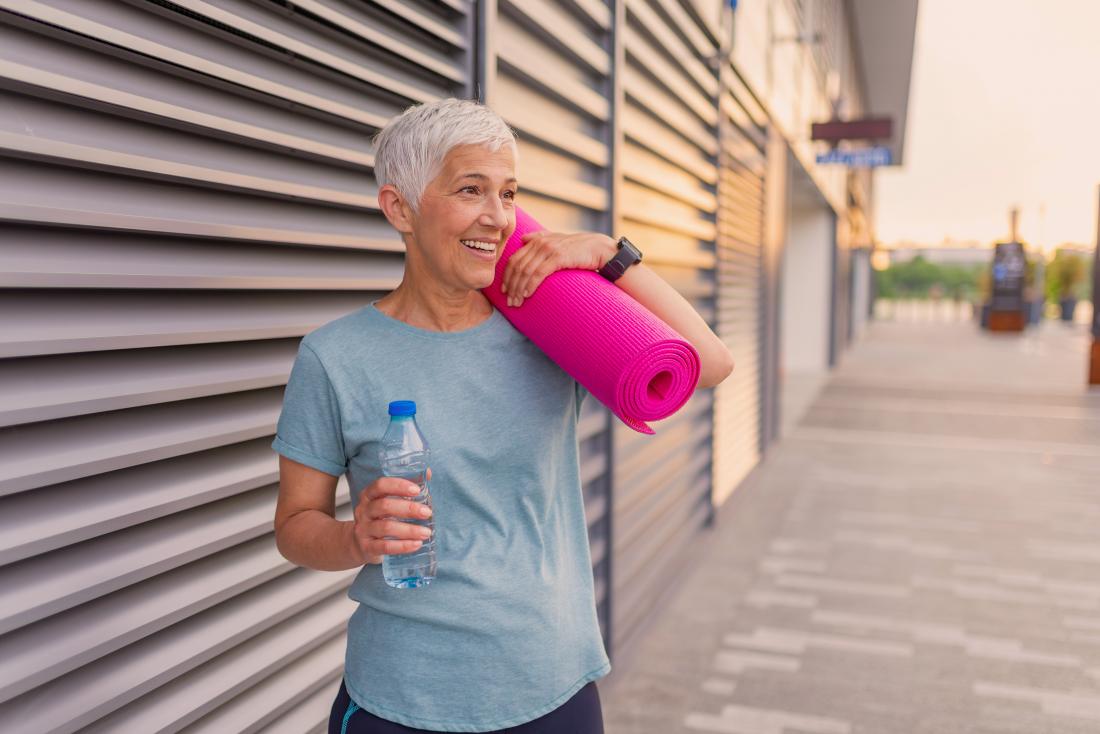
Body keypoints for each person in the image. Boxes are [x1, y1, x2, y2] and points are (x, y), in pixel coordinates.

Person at [272, 98, 735, 734]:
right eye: (471, 189)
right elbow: (297, 525)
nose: (497, 217)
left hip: (551, 684)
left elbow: (709, 362)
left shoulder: (552, 327)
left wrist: (606, 256)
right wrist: (356, 537)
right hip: (402, 696)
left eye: (509, 193)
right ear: (399, 207)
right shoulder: (334, 357)